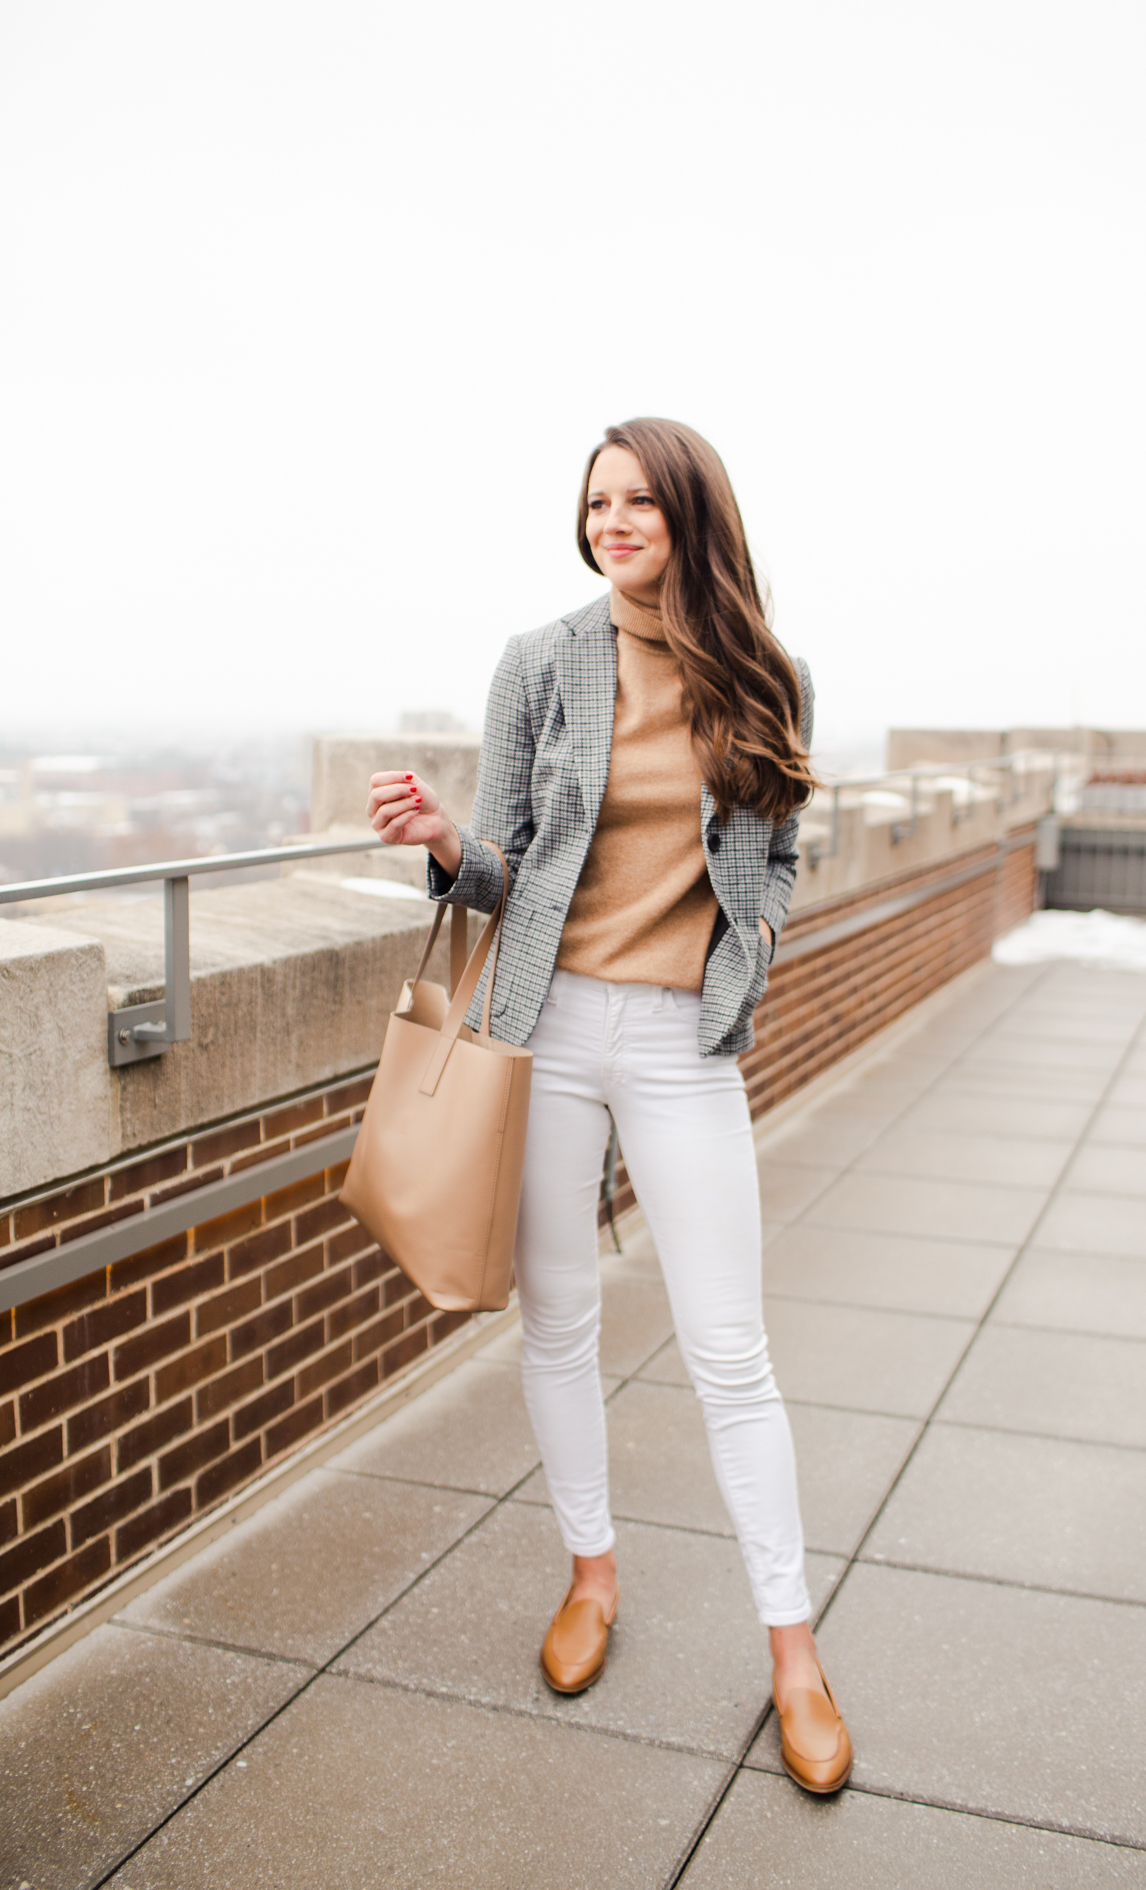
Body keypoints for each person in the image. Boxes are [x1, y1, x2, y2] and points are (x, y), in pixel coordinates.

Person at [366, 417, 852, 1794]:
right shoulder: (539, 661)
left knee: (729, 1348)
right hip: (549, 1026)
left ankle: (795, 1649)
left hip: (685, 1041)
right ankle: (592, 1570)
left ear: (691, 513)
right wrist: (446, 843)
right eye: (598, 501)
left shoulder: (766, 672)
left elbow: (782, 847)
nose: (615, 520)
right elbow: (503, 866)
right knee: (560, 1318)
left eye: (642, 499)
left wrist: (750, 938)